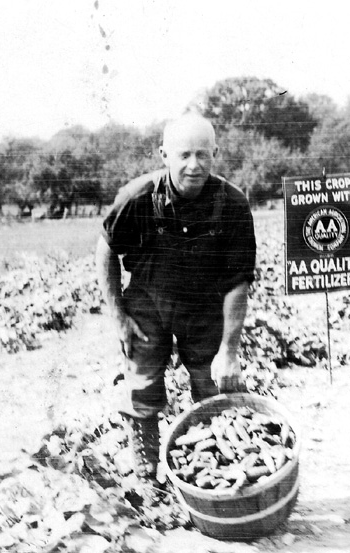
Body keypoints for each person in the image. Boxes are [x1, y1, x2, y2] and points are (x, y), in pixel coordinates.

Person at [95, 113, 256, 480]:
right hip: (148, 305)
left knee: (214, 388)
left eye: (203, 155)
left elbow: (238, 283)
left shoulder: (232, 205)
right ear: (163, 154)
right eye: (184, 155)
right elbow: (105, 250)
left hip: (204, 308)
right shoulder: (136, 198)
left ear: (215, 154)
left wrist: (228, 352)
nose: (194, 165)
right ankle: (146, 475)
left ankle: (219, 471)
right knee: (143, 389)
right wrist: (119, 317)